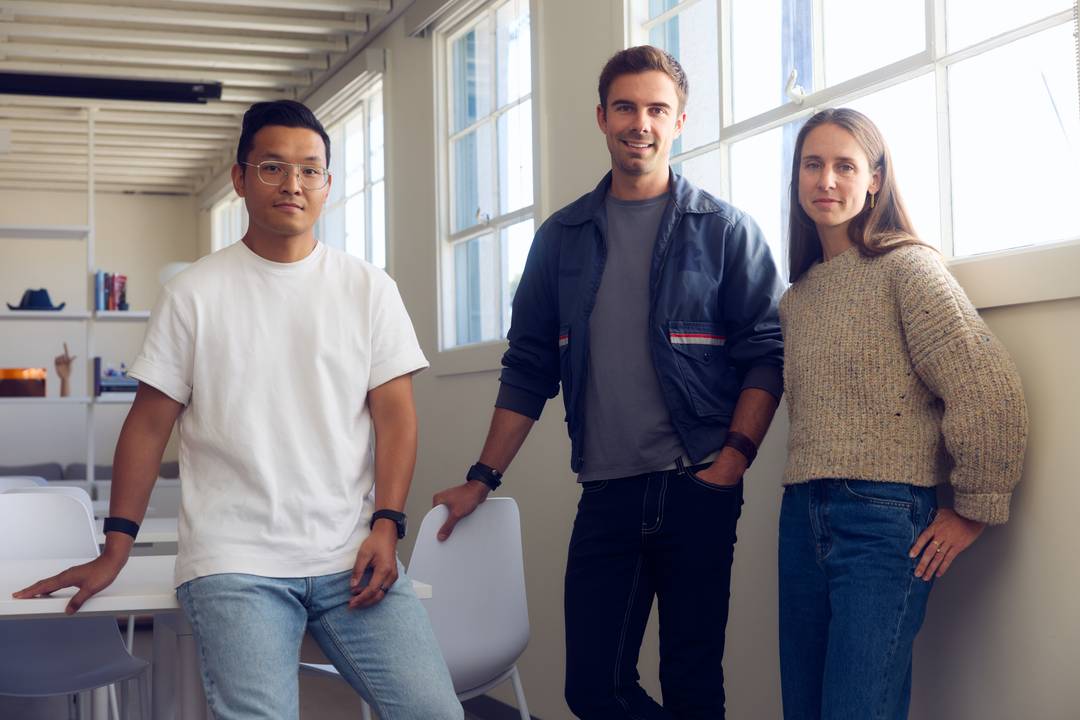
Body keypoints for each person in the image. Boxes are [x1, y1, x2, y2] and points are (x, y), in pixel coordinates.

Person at [15, 100, 462, 720]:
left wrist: (387, 524)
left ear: (327, 184)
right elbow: (147, 427)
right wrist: (115, 548)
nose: (293, 184)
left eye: (309, 170)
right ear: (240, 178)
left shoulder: (370, 289)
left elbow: (396, 418)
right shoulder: (193, 293)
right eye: (273, 167)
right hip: (234, 563)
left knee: (435, 712)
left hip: (351, 557)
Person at [433, 46, 785, 719]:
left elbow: (766, 355)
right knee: (594, 688)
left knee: (693, 682)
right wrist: (482, 477)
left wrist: (734, 460)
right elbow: (528, 366)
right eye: (625, 107)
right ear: (602, 117)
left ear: (679, 121)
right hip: (606, 490)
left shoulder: (726, 231)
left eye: (656, 109)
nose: (640, 123)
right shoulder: (560, 238)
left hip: (697, 485)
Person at [777, 107, 1028, 720]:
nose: (826, 180)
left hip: (883, 520)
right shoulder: (796, 299)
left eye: (845, 166)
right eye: (812, 164)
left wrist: (975, 508)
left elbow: (987, 386)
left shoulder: (906, 267)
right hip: (800, 517)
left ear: (874, 180)